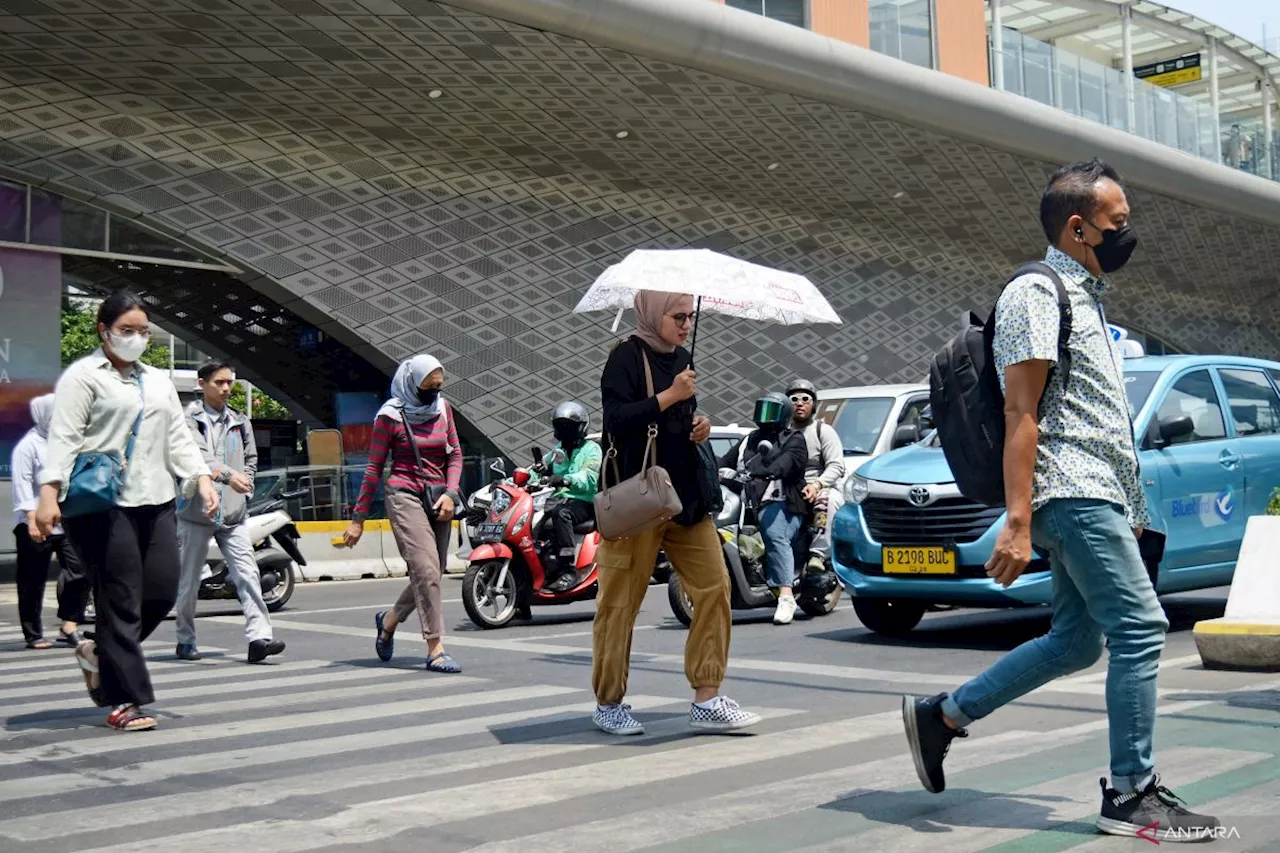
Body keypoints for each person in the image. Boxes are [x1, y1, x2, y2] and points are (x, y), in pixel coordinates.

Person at [901, 160, 1219, 841]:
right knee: (1140, 627)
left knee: (1077, 641)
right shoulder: (1036, 294)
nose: (1126, 235)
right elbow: (1021, 412)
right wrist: (1017, 521)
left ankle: (945, 715)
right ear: (1078, 228)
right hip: (1071, 491)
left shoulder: (1085, 296)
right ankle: (1132, 793)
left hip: (1097, 491)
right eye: (1117, 224)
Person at [36, 290, 218, 732]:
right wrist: (47, 494)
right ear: (104, 331)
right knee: (120, 601)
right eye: (126, 331)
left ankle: (98, 654)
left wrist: (204, 476)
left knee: (160, 591)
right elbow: (64, 437)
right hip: (102, 504)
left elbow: (177, 435)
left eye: (142, 332)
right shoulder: (83, 377)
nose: (136, 339)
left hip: (155, 499)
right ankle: (124, 702)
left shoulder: (157, 381)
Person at [592, 290, 761, 736]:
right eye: (677, 316)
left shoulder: (682, 358)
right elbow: (617, 420)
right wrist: (669, 396)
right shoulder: (626, 358)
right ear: (653, 314)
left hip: (685, 500)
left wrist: (698, 423)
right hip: (637, 502)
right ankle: (609, 703)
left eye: (689, 316)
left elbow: (675, 421)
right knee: (619, 605)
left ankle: (707, 697)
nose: (686, 324)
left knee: (714, 590)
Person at [344, 354, 463, 674]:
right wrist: (358, 520)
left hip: (440, 499)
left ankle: (390, 620)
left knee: (432, 573)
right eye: (427, 388)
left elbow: (455, 456)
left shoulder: (443, 408)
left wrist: (451, 493)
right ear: (410, 384)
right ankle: (435, 648)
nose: (433, 393)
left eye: (438, 387)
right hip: (404, 495)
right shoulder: (390, 417)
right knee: (425, 570)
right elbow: (373, 469)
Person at [173, 360, 285, 664]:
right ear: (202, 384)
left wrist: (244, 480)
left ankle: (259, 638)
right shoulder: (187, 419)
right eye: (219, 382)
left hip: (234, 515)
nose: (225, 388)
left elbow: (250, 458)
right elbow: (198, 457)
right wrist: (227, 475)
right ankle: (185, 639)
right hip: (196, 513)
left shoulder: (239, 420)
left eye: (229, 383)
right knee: (189, 581)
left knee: (248, 575)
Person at [12, 394, 90, 649]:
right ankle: (33, 633)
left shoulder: (67, 443)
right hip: (33, 520)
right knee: (32, 580)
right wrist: (31, 520)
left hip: (66, 519)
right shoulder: (29, 446)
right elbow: (22, 485)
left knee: (80, 569)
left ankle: (69, 622)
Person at [723, 392, 808, 625]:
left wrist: (765, 472)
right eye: (762, 410)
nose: (765, 417)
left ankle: (786, 596)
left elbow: (785, 463)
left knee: (773, 532)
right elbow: (725, 462)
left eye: (771, 411)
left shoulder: (794, 439)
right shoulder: (748, 440)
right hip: (746, 506)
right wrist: (714, 470)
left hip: (783, 504)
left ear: (784, 414)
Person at [534, 401, 602, 594]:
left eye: (569, 427)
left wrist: (565, 479)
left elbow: (589, 477)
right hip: (558, 500)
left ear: (580, 427)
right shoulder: (559, 450)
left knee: (561, 513)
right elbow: (539, 470)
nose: (564, 431)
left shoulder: (592, 449)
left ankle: (568, 568)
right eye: (561, 427)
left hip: (585, 501)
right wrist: (522, 476)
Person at [786, 379, 845, 572]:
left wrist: (818, 485)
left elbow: (836, 466)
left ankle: (817, 555)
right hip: (789, 487)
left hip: (821, 487)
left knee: (827, 500)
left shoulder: (823, 431)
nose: (799, 403)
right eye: (794, 399)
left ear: (814, 405)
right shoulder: (782, 433)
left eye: (805, 399)